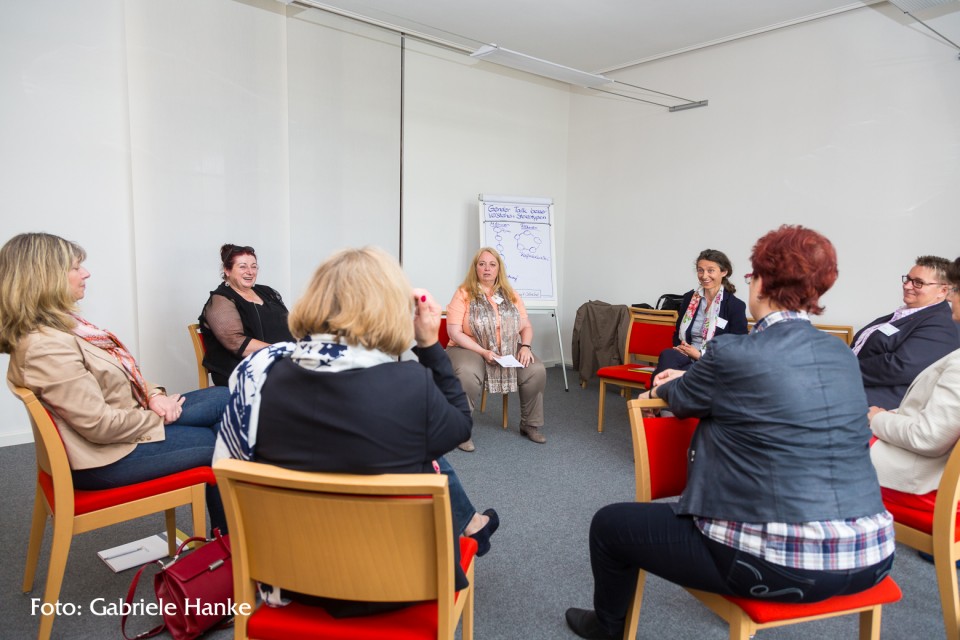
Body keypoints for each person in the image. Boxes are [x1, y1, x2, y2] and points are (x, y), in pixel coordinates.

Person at [565, 225, 895, 640]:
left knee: (611, 526)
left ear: (758, 283)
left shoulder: (733, 352)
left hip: (779, 568)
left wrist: (667, 383)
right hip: (872, 557)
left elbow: (680, 399)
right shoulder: (840, 355)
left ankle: (607, 629)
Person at [214, 246, 498, 615]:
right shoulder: (410, 384)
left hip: (287, 577)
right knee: (427, 453)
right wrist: (428, 345)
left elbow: (229, 465)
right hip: (397, 582)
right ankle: (472, 524)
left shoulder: (256, 374)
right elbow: (460, 426)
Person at [0, 233, 229, 532]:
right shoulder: (47, 346)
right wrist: (155, 416)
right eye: (75, 267)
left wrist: (154, 396)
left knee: (224, 397)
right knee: (225, 443)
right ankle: (233, 543)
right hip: (105, 459)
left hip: (124, 424)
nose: (86, 273)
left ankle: (225, 540)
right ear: (46, 278)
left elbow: (122, 372)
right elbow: (99, 426)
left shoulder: (68, 329)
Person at [870, 256, 960, 515]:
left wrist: (877, 418)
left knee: (815, 443)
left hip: (919, 476)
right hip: (921, 449)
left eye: (955, 290)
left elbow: (927, 437)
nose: (951, 298)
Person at [445, 247, 547, 450]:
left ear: (499, 269)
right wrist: (483, 352)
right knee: (467, 373)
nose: (487, 269)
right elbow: (454, 332)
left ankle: (530, 424)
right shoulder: (463, 293)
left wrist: (525, 346)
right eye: (481, 264)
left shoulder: (510, 294)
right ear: (475, 268)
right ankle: (460, 430)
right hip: (469, 348)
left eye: (492, 264)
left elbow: (526, 325)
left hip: (506, 348)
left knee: (536, 370)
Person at [852, 255, 959, 409]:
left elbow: (899, 367)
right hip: (855, 385)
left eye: (918, 283)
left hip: (879, 404)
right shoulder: (905, 314)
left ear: (942, 290)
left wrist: (844, 369)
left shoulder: (941, 323)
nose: (908, 286)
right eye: (908, 279)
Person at [199, 244, 293, 386]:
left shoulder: (267, 292)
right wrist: (282, 352)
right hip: (243, 370)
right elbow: (236, 342)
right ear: (227, 270)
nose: (250, 272)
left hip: (281, 362)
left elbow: (288, 324)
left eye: (254, 266)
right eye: (242, 266)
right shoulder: (221, 300)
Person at [649, 248, 748, 381]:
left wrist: (699, 355)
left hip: (713, 363)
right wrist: (681, 348)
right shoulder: (690, 299)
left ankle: (656, 396)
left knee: (673, 376)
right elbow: (677, 332)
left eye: (710, 270)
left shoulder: (735, 306)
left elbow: (738, 347)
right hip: (685, 356)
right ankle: (663, 392)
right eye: (700, 270)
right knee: (668, 355)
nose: (704, 275)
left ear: (724, 272)